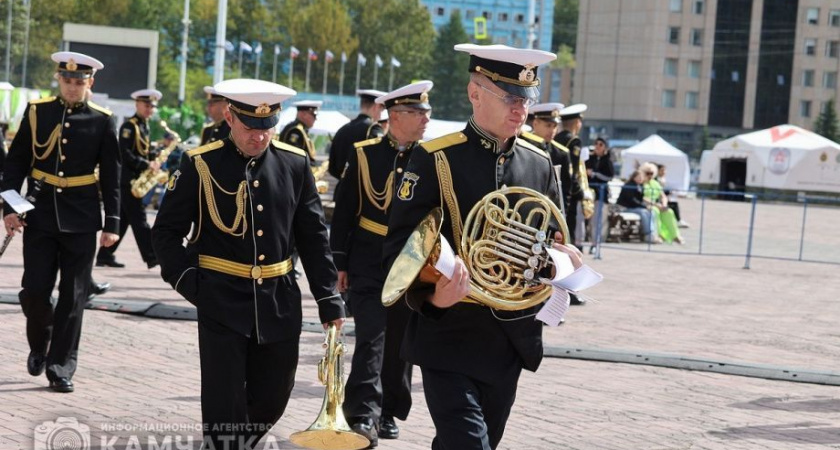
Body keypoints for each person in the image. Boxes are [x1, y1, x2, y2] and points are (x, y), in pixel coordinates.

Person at [383, 43, 580, 450]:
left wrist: (563, 262)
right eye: (509, 98)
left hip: (511, 337)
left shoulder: (539, 162)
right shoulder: (434, 158)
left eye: (527, 99)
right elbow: (400, 249)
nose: (520, 109)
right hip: (449, 331)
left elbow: (553, 241)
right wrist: (433, 295)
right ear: (475, 94)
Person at [151, 78, 345, 449]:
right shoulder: (200, 163)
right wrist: (190, 283)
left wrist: (328, 298)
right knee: (223, 405)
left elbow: (314, 237)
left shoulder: (294, 164)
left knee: (273, 396)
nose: (259, 137)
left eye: (267, 127)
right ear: (229, 117)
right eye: (250, 128)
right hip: (220, 300)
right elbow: (165, 234)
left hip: (278, 300)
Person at [1, 51, 121, 393]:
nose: (72, 87)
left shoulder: (102, 119)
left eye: (79, 82)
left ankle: (60, 366)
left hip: (82, 219)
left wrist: (112, 223)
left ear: (90, 83)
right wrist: (8, 207)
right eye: (67, 81)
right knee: (34, 292)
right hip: (39, 215)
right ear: (59, 80)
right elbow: (17, 162)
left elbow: (113, 175)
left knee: (73, 296)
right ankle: (41, 342)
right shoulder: (39, 111)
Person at [331, 81, 433, 447]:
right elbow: (344, 212)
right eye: (419, 113)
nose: (426, 120)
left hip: (411, 261)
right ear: (396, 116)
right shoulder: (363, 154)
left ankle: (389, 410)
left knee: (400, 342)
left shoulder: (431, 157)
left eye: (427, 113)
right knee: (372, 338)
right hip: (368, 259)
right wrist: (339, 261)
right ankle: (362, 415)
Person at [519, 103, 585, 306]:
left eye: (554, 126)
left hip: (553, 216)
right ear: (536, 123)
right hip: (530, 215)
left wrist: (560, 220)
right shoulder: (522, 144)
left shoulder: (560, 152)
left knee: (555, 258)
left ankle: (557, 299)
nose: (552, 130)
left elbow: (564, 191)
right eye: (547, 125)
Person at [95, 89, 161, 269]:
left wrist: (155, 157)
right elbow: (124, 153)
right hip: (127, 181)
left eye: (152, 107)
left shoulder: (144, 126)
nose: (149, 109)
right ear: (137, 104)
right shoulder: (129, 126)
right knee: (140, 220)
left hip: (136, 180)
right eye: (146, 105)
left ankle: (104, 254)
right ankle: (152, 256)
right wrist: (145, 165)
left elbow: (144, 151)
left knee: (124, 220)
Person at [328, 89, 386, 180]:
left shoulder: (343, 129)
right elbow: (380, 161)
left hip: (341, 188)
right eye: (381, 110)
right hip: (361, 189)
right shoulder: (373, 129)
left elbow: (332, 168)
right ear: (376, 106)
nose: (380, 116)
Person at [555, 103, 588, 250]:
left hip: (555, 188)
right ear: (577, 122)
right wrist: (579, 192)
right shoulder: (574, 141)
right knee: (569, 229)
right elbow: (572, 171)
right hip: (569, 192)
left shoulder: (556, 137)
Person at [641, 162, 684, 244]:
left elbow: (663, 196)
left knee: (669, 212)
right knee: (655, 212)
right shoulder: (641, 183)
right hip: (646, 205)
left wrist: (664, 204)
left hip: (657, 205)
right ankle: (658, 235)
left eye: (651, 173)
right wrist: (655, 204)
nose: (650, 175)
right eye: (647, 173)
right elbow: (641, 197)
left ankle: (675, 235)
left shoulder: (655, 183)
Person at [616, 170, 657, 243]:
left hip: (634, 207)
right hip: (625, 207)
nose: (640, 179)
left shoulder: (640, 186)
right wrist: (644, 206)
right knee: (643, 212)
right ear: (634, 177)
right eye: (638, 177)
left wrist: (645, 206)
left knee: (651, 212)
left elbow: (640, 199)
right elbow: (631, 200)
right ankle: (647, 234)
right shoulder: (629, 185)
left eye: (641, 177)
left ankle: (652, 233)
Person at [656, 163, 689, 228]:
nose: (664, 172)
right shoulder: (657, 180)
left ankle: (678, 220)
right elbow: (659, 192)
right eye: (662, 170)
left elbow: (662, 192)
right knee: (673, 205)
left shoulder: (662, 179)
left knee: (673, 203)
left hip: (662, 199)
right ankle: (678, 221)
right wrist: (669, 192)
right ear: (658, 171)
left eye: (664, 170)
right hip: (657, 201)